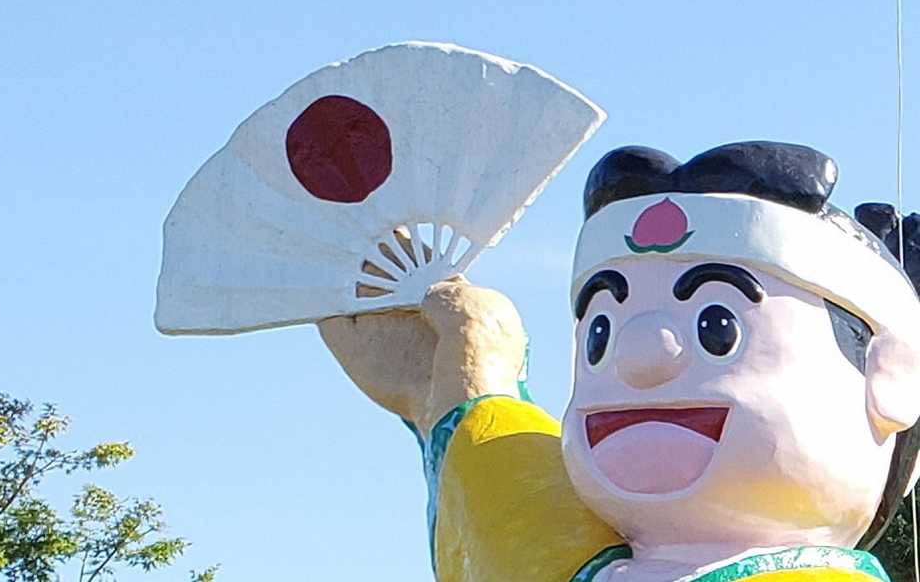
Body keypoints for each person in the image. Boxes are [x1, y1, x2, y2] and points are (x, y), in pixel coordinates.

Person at [320, 142, 920, 582]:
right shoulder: (571, 557)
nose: (638, 356)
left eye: (717, 328)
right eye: (599, 334)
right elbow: (503, 489)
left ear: (889, 376)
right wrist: (460, 364)